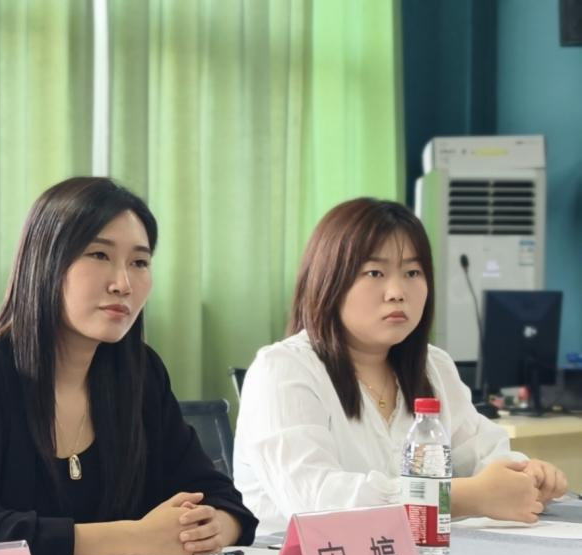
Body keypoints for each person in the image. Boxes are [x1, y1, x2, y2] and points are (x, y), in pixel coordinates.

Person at [0, 177, 257, 555]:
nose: (123, 284)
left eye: (139, 262)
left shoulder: (141, 375)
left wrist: (211, 528)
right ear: (45, 263)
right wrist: (134, 538)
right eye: (99, 255)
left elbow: (222, 500)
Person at [233, 197, 568, 535]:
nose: (396, 292)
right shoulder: (282, 370)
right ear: (328, 280)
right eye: (374, 273)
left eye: (412, 273)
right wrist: (460, 497)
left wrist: (526, 475)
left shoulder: (433, 366)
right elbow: (315, 501)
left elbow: (483, 454)